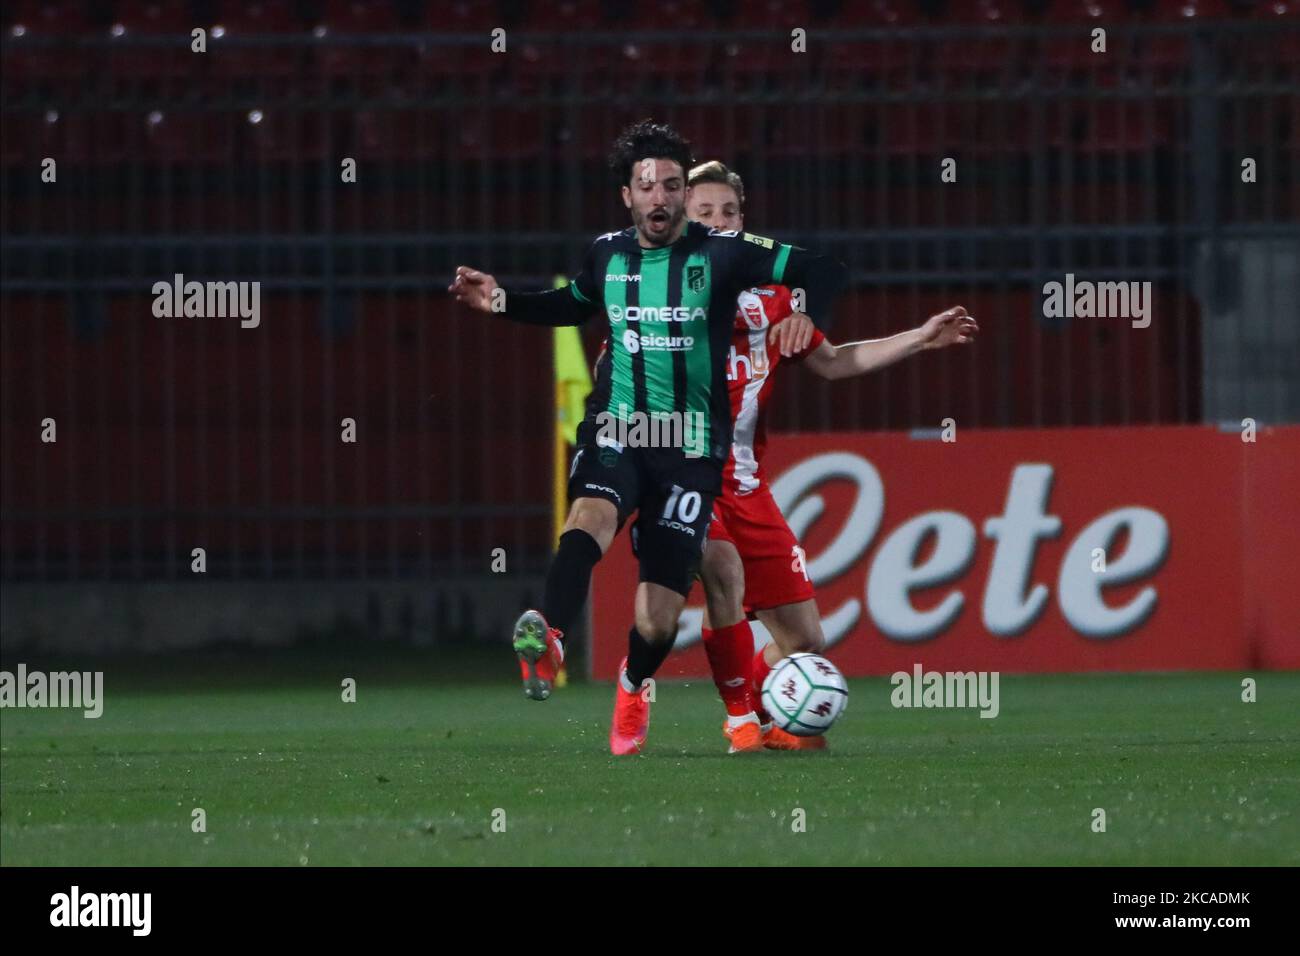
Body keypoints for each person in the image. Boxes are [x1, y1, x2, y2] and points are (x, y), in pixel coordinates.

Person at [448, 122, 847, 755]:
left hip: (691, 448)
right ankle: (549, 637)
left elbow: (822, 270)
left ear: (681, 193)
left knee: (656, 617)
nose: (658, 198)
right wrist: (501, 302)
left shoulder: (724, 251)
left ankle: (634, 684)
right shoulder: (607, 254)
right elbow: (572, 303)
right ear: (626, 197)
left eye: (669, 185)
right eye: (646, 186)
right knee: (590, 513)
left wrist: (801, 310)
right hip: (623, 425)